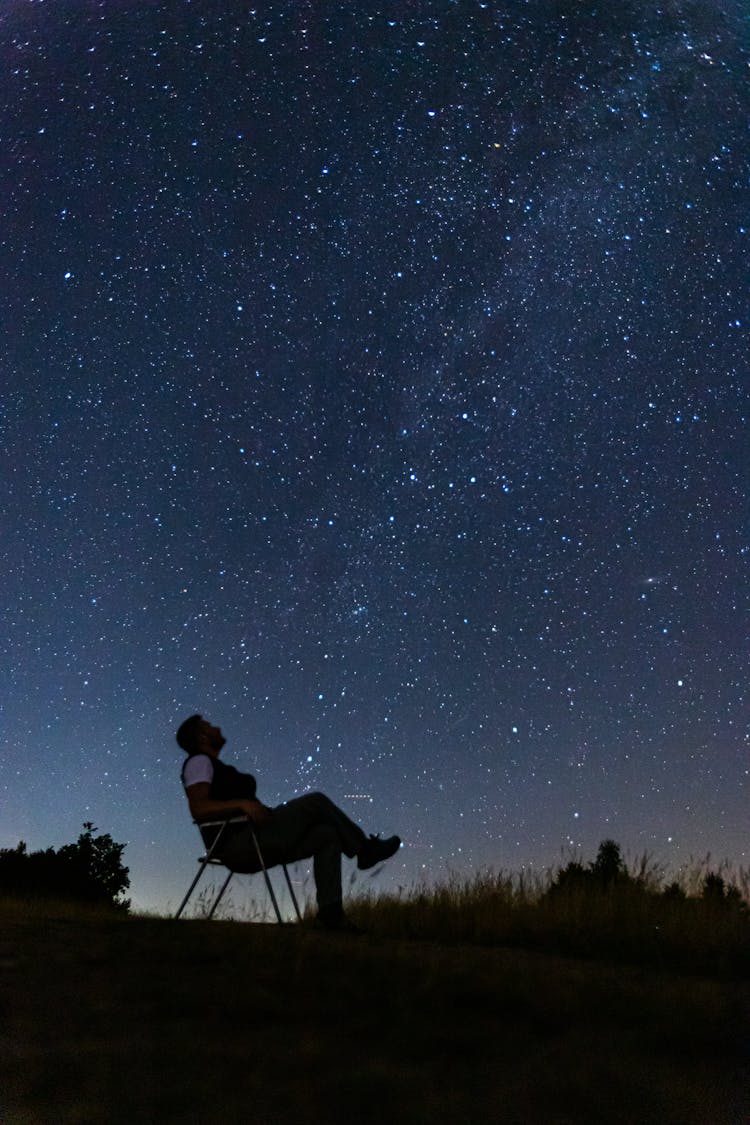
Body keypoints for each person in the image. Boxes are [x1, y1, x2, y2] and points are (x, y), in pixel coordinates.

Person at [176, 714, 401, 931]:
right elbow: (199, 808)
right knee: (316, 801)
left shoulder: (214, 765)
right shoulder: (198, 762)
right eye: (209, 725)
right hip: (240, 844)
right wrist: (243, 805)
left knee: (327, 834)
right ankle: (364, 849)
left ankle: (331, 913)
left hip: (261, 838)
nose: (217, 728)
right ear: (202, 737)